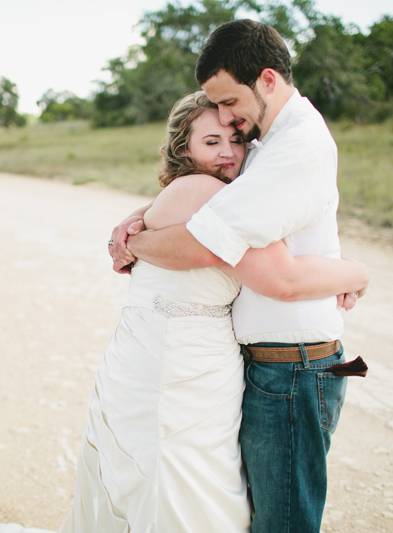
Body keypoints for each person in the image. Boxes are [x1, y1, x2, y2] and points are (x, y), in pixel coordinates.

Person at [0, 90, 368, 533]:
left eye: (236, 140)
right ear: (184, 148)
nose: (228, 151)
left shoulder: (203, 193)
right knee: (179, 484)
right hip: (174, 362)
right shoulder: (206, 193)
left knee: (187, 482)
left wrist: (132, 231)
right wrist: (356, 273)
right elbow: (282, 277)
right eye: (211, 142)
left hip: (181, 355)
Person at [109, 19, 361, 533]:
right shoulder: (266, 135)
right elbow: (216, 196)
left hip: (293, 366)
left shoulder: (296, 148)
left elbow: (237, 256)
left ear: (267, 79)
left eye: (229, 103)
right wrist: (147, 211)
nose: (227, 119)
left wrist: (135, 242)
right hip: (268, 364)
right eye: (216, 111)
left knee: (282, 523)